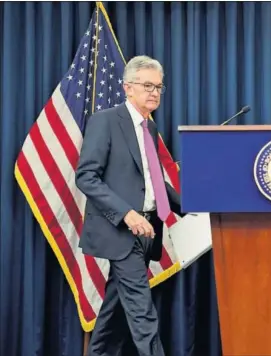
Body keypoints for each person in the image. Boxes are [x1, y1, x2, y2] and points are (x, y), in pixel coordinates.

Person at [75, 55, 183, 356]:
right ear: (127, 88)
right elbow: (86, 176)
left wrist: (193, 206)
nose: (154, 92)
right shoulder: (106, 121)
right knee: (141, 313)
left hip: (149, 229)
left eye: (159, 87)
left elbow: (153, 184)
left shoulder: (149, 128)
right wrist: (126, 213)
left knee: (113, 310)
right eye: (147, 85)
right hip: (120, 230)